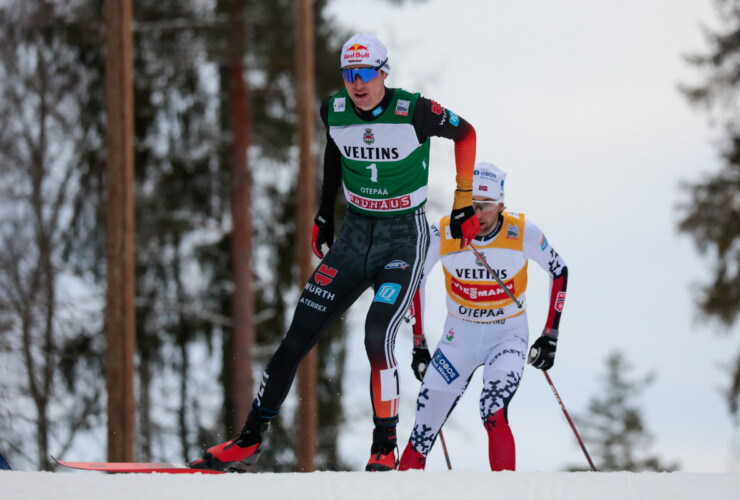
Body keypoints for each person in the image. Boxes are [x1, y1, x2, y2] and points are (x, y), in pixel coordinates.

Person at [191, 32, 480, 472]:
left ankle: (384, 446)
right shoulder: (335, 109)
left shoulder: (413, 110)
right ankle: (249, 439)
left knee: (376, 335)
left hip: (403, 238)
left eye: (366, 74)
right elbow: (334, 150)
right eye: (350, 75)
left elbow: (466, 134)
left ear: (383, 73)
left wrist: (462, 202)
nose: (358, 84)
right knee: (295, 338)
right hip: (353, 238)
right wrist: (324, 213)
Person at [397, 162, 568, 471]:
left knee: (492, 408)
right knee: (423, 428)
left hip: (507, 337)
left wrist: (550, 336)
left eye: (487, 205)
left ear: (502, 205)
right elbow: (415, 279)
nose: (478, 212)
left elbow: (559, 269)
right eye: (472, 204)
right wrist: (419, 342)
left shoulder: (521, 232)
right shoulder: (443, 232)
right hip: (457, 341)